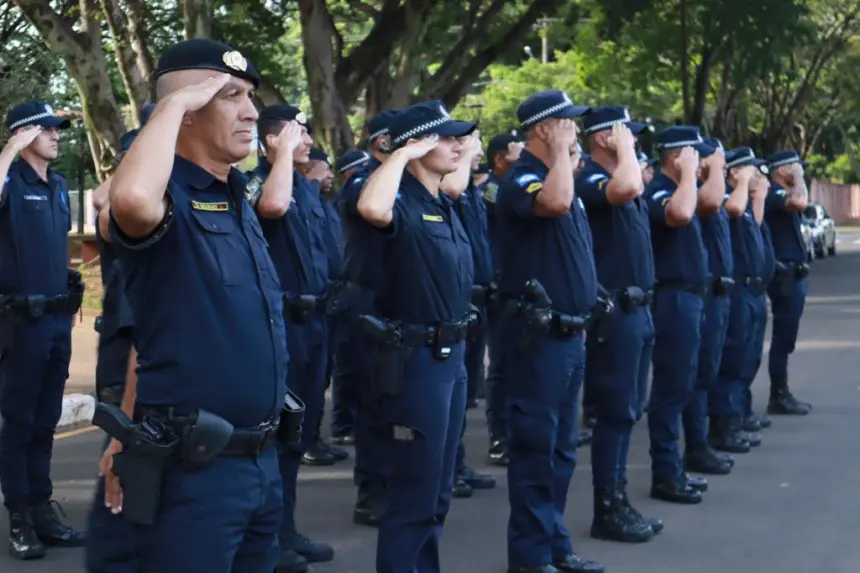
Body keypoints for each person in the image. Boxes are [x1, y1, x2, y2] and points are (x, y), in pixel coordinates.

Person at [107, 38, 287, 572]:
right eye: (230, 95)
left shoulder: (236, 197)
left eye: (250, 95)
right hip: (196, 471)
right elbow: (132, 200)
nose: (251, 110)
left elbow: (157, 331)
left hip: (261, 461)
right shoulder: (168, 200)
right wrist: (172, 103)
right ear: (184, 113)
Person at [356, 100, 475, 573]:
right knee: (413, 491)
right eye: (445, 138)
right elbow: (370, 206)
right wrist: (401, 155)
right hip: (415, 360)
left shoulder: (441, 202)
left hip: (451, 357)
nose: (458, 145)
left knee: (437, 488)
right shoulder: (397, 197)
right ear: (418, 143)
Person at [495, 89, 602, 573]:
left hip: (569, 335)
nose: (574, 130)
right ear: (543, 128)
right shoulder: (523, 179)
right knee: (537, 451)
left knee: (560, 451)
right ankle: (531, 559)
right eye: (566, 124)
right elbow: (554, 204)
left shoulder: (559, 177)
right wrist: (561, 154)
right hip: (538, 340)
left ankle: (555, 547)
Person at [245, 105, 335, 571]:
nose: (307, 140)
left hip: (315, 322)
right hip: (282, 324)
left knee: (298, 435)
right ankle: (269, 541)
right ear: (272, 141)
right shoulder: (260, 181)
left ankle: (286, 528)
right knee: (278, 434)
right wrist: (279, 156)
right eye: (297, 133)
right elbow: (271, 208)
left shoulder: (307, 186)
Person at [0, 101, 85, 560]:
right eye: (48, 129)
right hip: (20, 323)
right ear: (24, 134)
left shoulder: (57, 185)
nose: (57, 135)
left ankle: (42, 511)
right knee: (20, 422)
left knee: (46, 420)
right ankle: (18, 515)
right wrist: (9, 148)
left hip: (56, 321)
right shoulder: (10, 183)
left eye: (58, 129)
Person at [576, 106, 662, 543]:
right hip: (616, 313)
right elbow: (626, 185)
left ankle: (619, 498)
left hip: (639, 309)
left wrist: (625, 148)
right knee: (614, 412)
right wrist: (624, 150)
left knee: (629, 411)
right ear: (603, 139)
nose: (635, 139)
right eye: (626, 133)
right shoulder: (590, 177)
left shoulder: (623, 182)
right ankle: (606, 506)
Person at [83, 109, 152, 573]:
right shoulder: (126, 199)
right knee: (122, 471)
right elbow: (105, 199)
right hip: (126, 353)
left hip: (160, 355)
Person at [644, 126, 714, 505]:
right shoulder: (659, 189)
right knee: (670, 387)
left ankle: (675, 468)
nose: (701, 163)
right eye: (694, 156)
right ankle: (665, 474)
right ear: (675, 157)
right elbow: (681, 214)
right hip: (671, 298)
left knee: (684, 381)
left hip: (690, 297)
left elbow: (706, 202)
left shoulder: (682, 187)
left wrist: (694, 175)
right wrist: (688, 174)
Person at [338, 109, 399, 527]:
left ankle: (399, 483)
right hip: (371, 303)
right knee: (375, 402)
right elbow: (373, 208)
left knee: (404, 403)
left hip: (403, 305)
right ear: (383, 144)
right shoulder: (363, 181)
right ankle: (371, 489)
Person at [441, 130, 497, 499]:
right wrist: (469, 153)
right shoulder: (447, 187)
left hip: (472, 300)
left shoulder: (475, 189)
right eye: (459, 142)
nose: (467, 149)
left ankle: (456, 463)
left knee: (461, 397)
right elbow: (453, 188)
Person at [680, 136, 738, 474]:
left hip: (715, 293)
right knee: (693, 377)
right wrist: (712, 167)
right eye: (718, 160)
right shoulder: (699, 194)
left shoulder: (708, 191)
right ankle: (695, 448)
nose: (724, 166)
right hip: (697, 295)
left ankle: (706, 439)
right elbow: (714, 202)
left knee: (709, 372)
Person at [713, 147, 770, 454]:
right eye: (750, 169)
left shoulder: (744, 201)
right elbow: (733, 211)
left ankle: (736, 416)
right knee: (733, 360)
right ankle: (724, 425)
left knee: (748, 358)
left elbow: (753, 224)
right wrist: (742, 187)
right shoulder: (727, 196)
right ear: (734, 172)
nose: (758, 175)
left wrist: (757, 195)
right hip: (736, 291)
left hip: (752, 290)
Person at [479, 132, 522, 467]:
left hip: (518, 285)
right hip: (501, 286)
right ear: (499, 159)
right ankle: (500, 435)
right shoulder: (494, 189)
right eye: (516, 152)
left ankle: (518, 432)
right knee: (503, 366)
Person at [763, 150, 813, 415]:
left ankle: (781, 391)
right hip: (784, 274)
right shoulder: (774, 194)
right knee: (783, 336)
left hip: (795, 272)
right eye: (795, 168)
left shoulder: (783, 194)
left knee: (787, 336)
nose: (799, 172)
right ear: (782, 171)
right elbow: (800, 203)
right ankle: (778, 394)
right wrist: (799, 179)